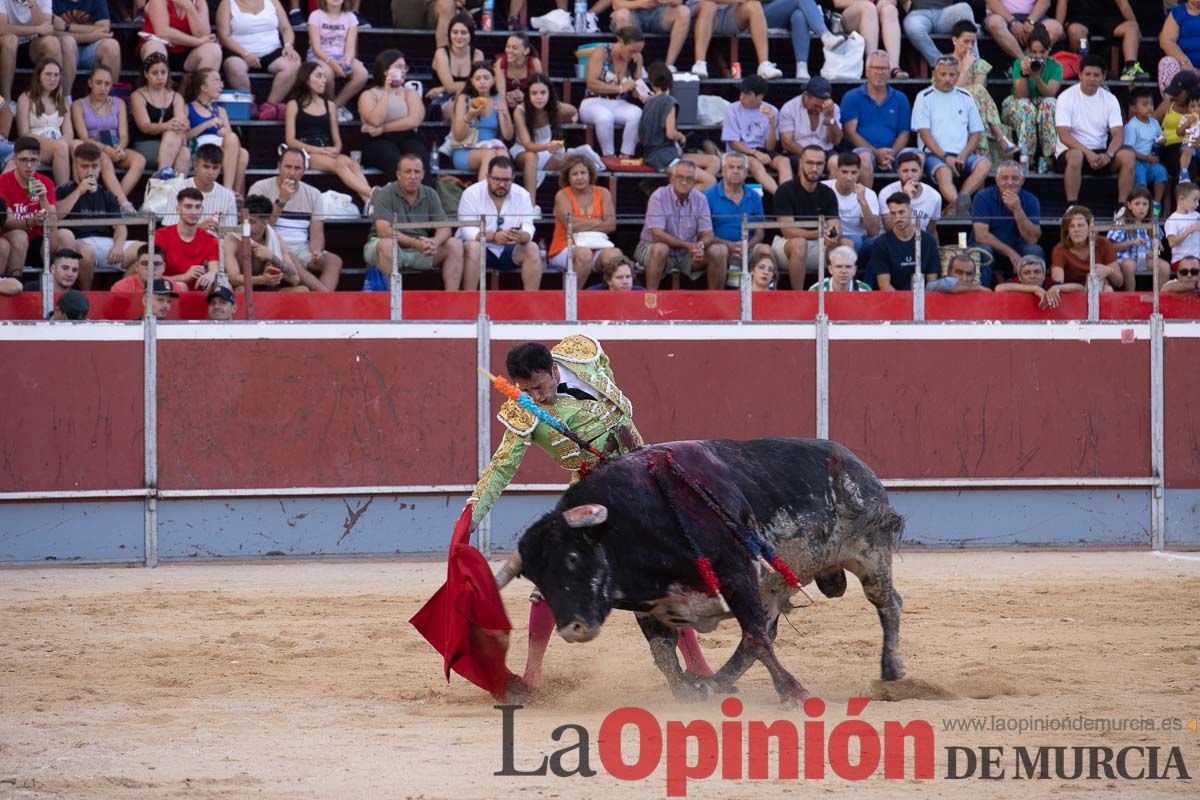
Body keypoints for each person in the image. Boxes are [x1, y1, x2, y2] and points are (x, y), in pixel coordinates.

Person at [469, 337, 713, 688]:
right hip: (592, 493)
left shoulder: (583, 355)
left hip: (643, 482)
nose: (536, 397)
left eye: (539, 386)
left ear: (554, 370)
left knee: (663, 575)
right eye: (526, 390)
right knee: (553, 577)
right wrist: (472, 515)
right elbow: (501, 468)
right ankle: (532, 675)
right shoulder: (523, 411)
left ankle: (698, 664)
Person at [365, 154, 469, 290]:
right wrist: (415, 243)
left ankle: (451, 301)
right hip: (388, 245)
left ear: (423, 174)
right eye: (408, 172)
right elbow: (383, 231)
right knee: (387, 245)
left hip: (421, 249)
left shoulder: (431, 193)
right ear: (398, 174)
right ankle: (390, 304)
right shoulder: (385, 193)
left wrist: (434, 242)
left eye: (417, 172)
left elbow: (445, 228)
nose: (413, 176)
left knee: (455, 244)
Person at [248, 146, 342, 291]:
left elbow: (317, 231)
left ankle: (319, 300)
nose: (292, 172)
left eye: (297, 168)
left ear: (304, 171)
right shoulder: (260, 188)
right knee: (290, 257)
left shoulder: (313, 193)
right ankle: (326, 298)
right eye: (288, 167)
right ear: (279, 166)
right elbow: (260, 228)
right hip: (273, 245)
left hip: (302, 247)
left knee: (334, 260)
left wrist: (316, 250)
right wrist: (281, 201)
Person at [284, 62, 375, 208]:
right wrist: (319, 151)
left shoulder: (330, 105)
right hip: (305, 152)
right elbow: (290, 141)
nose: (324, 80)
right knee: (339, 164)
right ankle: (373, 193)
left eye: (324, 77)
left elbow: (337, 141)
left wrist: (336, 149)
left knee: (353, 165)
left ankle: (370, 204)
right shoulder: (294, 104)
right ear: (306, 79)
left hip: (327, 149)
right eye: (319, 76)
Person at [911, 55, 990, 217]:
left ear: (957, 74)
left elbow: (976, 133)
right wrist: (945, 157)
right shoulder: (924, 97)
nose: (947, 79)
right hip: (934, 155)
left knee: (985, 165)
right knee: (944, 173)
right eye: (943, 74)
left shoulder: (965, 96)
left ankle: (957, 205)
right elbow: (925, 134)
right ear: (934, 74)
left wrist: (963, 155)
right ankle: (960, 207)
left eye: (952, 75)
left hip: (962, 156)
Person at [56, 142, 143, 286]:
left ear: (100, 168)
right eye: (84, 167)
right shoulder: (63, 190)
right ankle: (87, 297)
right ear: (75, 167)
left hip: (105, 243)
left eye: (94, 166)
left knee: (146, 252)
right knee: (85, 252)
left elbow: (120, 226)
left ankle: (118, 292)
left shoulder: (107, 195)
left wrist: (118, 246)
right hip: (77, 242)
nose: (90, 172)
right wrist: (79, 191)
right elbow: (57, 215)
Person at [1054, 55, 1134, 208]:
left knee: (1128, 156)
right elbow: (1064, 135)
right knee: (1076, 155)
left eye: (1096, 75)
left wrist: (1109, 155)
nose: (1091, 79)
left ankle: (1122, 209)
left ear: (1103, 77)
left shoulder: (1110, 99)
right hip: (1071, 152)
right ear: (1080, 75)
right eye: (1088, 74)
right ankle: (1072, 206)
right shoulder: (1066, 97)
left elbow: (1118, 133)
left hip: (1100, 154)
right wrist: (1088, 153)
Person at [636, 160, 726, 290]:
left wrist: (700, 246)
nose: (684, 182)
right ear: (671, 179)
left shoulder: (700, 199)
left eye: (689, 179)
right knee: (661, 248)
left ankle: (715, 300)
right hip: (652, 248)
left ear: (695, 182)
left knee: (719, 251)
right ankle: (651, 298)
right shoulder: (658, 196)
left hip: (686, 254)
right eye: (680, 177)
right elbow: (657, 235)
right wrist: (688, 245)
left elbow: (708, 233)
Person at [458, 156, 543, 291]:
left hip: (509, 249)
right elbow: (466, 230)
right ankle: (469, 301)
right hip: (481, 249)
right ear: (487, 177)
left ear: (513, 178)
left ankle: (530, 302)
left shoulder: (523, 194)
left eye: (506, 180)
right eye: (497, 179)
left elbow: (529, 226)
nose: (502, 184)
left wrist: (521, 236)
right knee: (473, 247)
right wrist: (494, 237)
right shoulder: (471, 193)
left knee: (532, 248)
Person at [833, 51, 914, 189]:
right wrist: (876, 153)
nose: (880, 72)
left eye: (884, 69)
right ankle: (866, 205)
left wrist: (890, 154)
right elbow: (849, 132)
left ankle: (909, 207)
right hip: (862, 151)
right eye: (875, 68)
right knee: (864, 158)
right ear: (867, 71)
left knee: (916, 158)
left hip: (893, 153)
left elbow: (904, 133)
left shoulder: (900, 98)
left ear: (889, 72)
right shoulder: (852, 97)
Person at [638, 63, 719, 190]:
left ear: (652, 83)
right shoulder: (669, 101)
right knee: (710, 181)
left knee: (714, 161)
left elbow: (640, 137)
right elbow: (671, 133)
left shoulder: (648, 103)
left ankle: (685, 193)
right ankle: (672, 196)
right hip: (664, 157)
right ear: (671, 82)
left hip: (663, 153)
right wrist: (681, 137)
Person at [216, 0, 300, 119]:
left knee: (293, 63)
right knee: (234, 66)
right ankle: (249, 105)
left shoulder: (273, 1)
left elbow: (286, 28)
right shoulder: (227, 3)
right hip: (239, 50)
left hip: (271, 50)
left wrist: (288, 45)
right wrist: (245, 53)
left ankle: (270, 106)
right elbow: (224, 36)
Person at [0, 137, 71, 279]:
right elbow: (5, 222)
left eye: (33, 161)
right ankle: (16, 282)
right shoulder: (3, 182)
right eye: (23, 160)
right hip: (13, 239)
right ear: (14, 160)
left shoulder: (45, 182)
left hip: (39, 241)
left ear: (39, 161)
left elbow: (53, 224)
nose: (28, 165)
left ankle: (58, 289)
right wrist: (30, 222)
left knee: (66, 235)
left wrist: (43, 198)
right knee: (20, 236)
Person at [71, 67, 147, 200]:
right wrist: (106, 149)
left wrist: (119, 148)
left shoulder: (119, 103)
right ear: (90, 83)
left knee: (139, 160)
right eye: (99, 83)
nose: (103, 88)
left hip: (114, 146)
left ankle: (113, 201)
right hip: (94, 148)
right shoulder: (78, 104)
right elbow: (83, 137)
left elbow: (123, 135)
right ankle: (123, 203)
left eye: (107, 84)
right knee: (104, 159)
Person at [771, 144, 840, 290]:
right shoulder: (785, 190)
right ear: (801, 163)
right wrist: (820, 233)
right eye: (809, 163)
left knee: (846, 244)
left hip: (817, 245)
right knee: (799, 244)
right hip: (785, 246)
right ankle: (798, 296)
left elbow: (835, 226)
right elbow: (787, 231)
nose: (814, 168)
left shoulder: (828, 193)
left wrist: (832, 235)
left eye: (819, 164)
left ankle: (837, 295)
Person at [950, 20, 1018, 166]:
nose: (969, 47)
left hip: (976, 110)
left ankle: (982, 164)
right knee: (976, 93)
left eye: (972, 43)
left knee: (978, 95)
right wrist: (965, 68)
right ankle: (1001, 137)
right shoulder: (945, 64)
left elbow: (977, 92)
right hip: (951, 107)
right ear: (955, 40)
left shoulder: (979, 64)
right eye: (965, 42)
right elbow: (953, 92)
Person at [547, 153, 621, 286]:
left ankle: (613, 300)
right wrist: (598, 222)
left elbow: (610, 225)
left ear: (590, 175)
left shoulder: (603, 193)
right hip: (565, 247)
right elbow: (571, 226)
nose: (580, 177)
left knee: (615, 255)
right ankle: (572, 301)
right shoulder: (562, 195)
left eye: (583, 173)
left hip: (597, 245)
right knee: (584, 254)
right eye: (574, 174)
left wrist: (582, 223)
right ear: (568, 178)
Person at [358, 50, 430, 181]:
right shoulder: (369, 95)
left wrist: (384, 128)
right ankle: (402, 198)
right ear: (385, 71)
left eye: (405, 67)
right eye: (398, 67)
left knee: (418, 155)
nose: (403, 70)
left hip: (406, 136)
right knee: (391, 156)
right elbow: (375, 120)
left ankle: (425, 197)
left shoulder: (409, 93)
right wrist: (387, 91)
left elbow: (414, 121)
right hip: (377, 140)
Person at [1000, 24, 1062, 175]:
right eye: (1034, 52)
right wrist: (1025, 74)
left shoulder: (1056, 67)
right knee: (1026, 106)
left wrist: (1037, 76)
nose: (1038, 56)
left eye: (1042, 52)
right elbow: (1021, 95)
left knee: (1050, 104)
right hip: (1018, 104)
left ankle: (1049, 158)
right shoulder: (1019, 63)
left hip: (1043, 103)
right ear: (1028, 50)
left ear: (1049, 50)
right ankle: (1028, 158)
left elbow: (1050, 93)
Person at [969, 160, 1042, 285]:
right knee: (984, 251)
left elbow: (1032, 239)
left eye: (1015, 178)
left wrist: (1018, 210)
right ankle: (981, 296)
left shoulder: (1031, 200)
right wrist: (1011, 253)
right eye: (1004, 178)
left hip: (1018, 247)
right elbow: (981, 235)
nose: (1010, 182)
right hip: (989, 247)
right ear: (997, 181)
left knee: (1035, 251)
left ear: (1022, 181)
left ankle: (1033, 295)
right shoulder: (982, 197)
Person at [579, 25, 645, 158]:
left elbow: (636, 86)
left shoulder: (637, 58)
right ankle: (608, 156)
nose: (634, 54)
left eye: (638, 51)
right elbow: (591, 83)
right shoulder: (602, 51)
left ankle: (626, 154)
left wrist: (643, 94)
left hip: (619, 103)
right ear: (621, 41)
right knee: (605, 116)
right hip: (593, 101)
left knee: (637, 113)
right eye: (632, 50)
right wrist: (619, 88)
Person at [183, 68, 250, 195]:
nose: (221, 85)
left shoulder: (221, 111)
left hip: (220, 150)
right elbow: (184, 136)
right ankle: (228, 190)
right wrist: (206, 125)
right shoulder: (188, 108)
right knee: (234, 143)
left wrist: (224, 132)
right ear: (204, 87)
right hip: (200, 149)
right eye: (216, 81)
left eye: (221, 81)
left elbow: (233, 141)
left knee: (243, 153)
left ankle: (234, 194)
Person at [722, 74, 789, 196]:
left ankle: (787, 194)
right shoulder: (733, 109)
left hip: (763, 150)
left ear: (759, 96)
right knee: (754, 163)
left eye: (747, 94)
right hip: (741, 150)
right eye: (741, 93)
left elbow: (770, 147)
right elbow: (733, 143)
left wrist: (772, 124)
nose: (741, 97)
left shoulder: (772, 110)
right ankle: (781, 196)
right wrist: (754, 153)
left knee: (784, 161)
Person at [447, 60, 513, 183]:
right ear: (472, 81)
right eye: (478, 78)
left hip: (492, 147)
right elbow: (458, 135)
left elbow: (508, 136)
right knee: (489, 155)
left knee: (503, 154)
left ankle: (502, 193)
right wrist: (470, 116)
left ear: (493, 80)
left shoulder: (498, 99)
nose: (482, 82)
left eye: (486, 78)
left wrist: (505, 116)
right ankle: (481, 198)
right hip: (466, 150)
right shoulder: (464, 99)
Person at [224, 194, 305, 291]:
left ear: (265, 222)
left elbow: (295, 279)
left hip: (269, 290)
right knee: (241, 290)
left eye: (251, 222)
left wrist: (272, 257)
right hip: (244, 288)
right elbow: (234, 279)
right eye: (244, 220)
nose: (246, 225)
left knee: (302, 290)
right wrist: (262, 280)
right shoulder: (232, 239)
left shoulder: (277, 240)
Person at [705, 152, 766, 280]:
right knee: (719, 251)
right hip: (718, 246)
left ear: (746, 172)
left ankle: (764, 298)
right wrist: (729, 245)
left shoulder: (754, 196)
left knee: (766, 251)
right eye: (731, 167)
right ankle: (717, 298)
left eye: (740, 168)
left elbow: (760, 232)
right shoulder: (708, 195)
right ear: (722, 171)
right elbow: (704, 233)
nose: (735, 171)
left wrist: (746, 245)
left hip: (748, 246)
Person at [687, 0, 783, 80]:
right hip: (699, 11)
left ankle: (764, 65)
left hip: (729, 11)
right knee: (709, 6)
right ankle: (700, 63)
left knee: (754, 5)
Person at [1055, 0, 1147, 81]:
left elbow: (1122, 3)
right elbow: (1062, 2)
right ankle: (1083, 66)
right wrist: (1059, 26)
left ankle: (1130, 68)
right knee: (1076, 32)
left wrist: (1136, 28)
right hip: (1080, 18)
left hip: (1107, 17)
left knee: (1132, 28)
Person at [15, 58, 72, 188]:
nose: (52, 78)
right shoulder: (26, 98)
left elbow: (69, 132)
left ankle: (87, 195)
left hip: (59, 141)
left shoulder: (62, 100)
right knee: (61, 148)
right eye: (48, 74)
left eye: (56, 75)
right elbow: (23, 133)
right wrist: (55, 144)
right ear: (39, 76)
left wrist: (61, 141)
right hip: (35, 143)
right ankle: (63, 192)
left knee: (81, 148)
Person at [130, 52, 191, 173]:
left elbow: (181, 121)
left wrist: (183, 124)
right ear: (146, 74)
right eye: (155, 73)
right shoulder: (138, 95)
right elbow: (145, 127)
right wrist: (166, 126)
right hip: (146, 142)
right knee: (178, 145)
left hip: (172, 143)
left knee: (184, 152)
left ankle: (163, 179)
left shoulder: (176, 96)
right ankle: (164, 175)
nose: (160, 77)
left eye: (163, 72)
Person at [306, 0, 367, 119]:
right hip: (320, 57)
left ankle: (336, 106)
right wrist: (331, 62)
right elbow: (316, 48)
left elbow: (350, 47)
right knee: (326, 73)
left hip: (342, 57)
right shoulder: (315, 15)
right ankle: (330, 105)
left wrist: (348, 61)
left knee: (362, 74)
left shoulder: (351, 17)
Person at [868, 192, 940, 290]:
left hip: (922, 299)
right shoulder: (881, 244)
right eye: (893, 213)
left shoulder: (928, 241)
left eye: (901, 212)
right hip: (893, 301)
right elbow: (884, 285)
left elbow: (932, 283)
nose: (898, 218)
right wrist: (902, 304)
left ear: (911, 210)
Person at [0, 0, 68, 104]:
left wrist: (32, 3)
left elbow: (47, 29)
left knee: (52, 43)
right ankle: (6, 101)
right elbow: (2, 28)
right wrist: (37, 29)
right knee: (10, 40)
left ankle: (51, 101)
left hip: (31, 45)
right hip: (5, 45)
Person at [511, 74, 565, 198]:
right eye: (534, 93)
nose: (539, 97)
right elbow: (527, 145)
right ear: (528, 95)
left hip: (546, 152)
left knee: (572, 160)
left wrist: (569, 115)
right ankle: (531, 206)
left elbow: (572, 110)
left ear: (549, 93)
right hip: (523, 151)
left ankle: (566, 206)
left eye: (543, 92)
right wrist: (547, 146)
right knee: (532, 157)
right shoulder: (520, 111)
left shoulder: (553, 107)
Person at [155, 186, 219, 290]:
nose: (193, 212)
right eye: (188, 207)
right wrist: (184, 277)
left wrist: (212, 274)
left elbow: (214, 268)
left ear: (202, 209)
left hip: (199, 289)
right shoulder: (161, 236)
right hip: (167, 291)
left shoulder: (210, 239)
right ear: (178, 209)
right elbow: (152, 277)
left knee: (220, 286)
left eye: (197, 207)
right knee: (181, 286)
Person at [762, 0, 846, 80]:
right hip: (762, 13)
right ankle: (825, 35)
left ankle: (802, 67)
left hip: (788, 10)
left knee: (799, 15)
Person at [161, 143, 238, 230]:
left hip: (216, 243)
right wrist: (199, 228)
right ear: (196, 166)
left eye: (215, 168)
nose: (210, 172)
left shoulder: (228, 196)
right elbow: (169, 231)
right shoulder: (178, 190)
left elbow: (231, 234)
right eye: (206, 166)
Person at [1108, 187, 1170, 291]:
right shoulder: (1122, 222)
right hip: (1127, 258)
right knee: (1128, 266)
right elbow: (1112, 247)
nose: (1141, 207)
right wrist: (1131, 242)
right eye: (1137, 204)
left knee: (1165, 267)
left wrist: (1158, 246)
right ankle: (1131, 297)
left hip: (1146, 259)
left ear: (1149, 206)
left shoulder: (1152, 223)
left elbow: (1159, 244)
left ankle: (1160, 299)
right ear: (1129, 205)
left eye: (1145, 204)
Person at [52, 0, 122, 90]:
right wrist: (91, 35)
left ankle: (110, 98)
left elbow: (104, 29)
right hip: (63, 52)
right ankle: (65, 98)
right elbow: (51, 32)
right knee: (68, 42)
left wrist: (67, 26)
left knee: (112, 46)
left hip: (90, 50)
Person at [824, 0, 905, 77]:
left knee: (890, 9)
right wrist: (871, 4)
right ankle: (872, 64)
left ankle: (894, 67)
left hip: (878, 15)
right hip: (850, 15)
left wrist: (884, 2)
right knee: (868, 8)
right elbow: (838, 2)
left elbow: (893, 1)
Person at [139, 0, 223, 74]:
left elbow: (203, 35)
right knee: (155, 48)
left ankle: (201, 89)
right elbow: (163, 32)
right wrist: (197, 42)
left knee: (213, 50)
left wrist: (189, 7)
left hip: (186, 52)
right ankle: (157, 91)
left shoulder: (199, 2)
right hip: (160, 45)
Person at [821, 151, 880, 255]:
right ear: (837, 171)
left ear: (859, 173)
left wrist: (862, 201)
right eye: (844, 172)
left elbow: (873, 231)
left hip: (860, 240)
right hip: (831, 238)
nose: (849, 177)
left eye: (853, 173)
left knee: (878, 242)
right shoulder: (824, 188)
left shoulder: (868, 194)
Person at [1050, 204, 1121, 289]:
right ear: (1067, 231)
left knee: (1106, 287)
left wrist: (1108, 271)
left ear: (1090, 227)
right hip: (1072, 293)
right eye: (1072, 226)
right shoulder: (1060, 249)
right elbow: (1057, 284)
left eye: (1080, 225)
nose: (1076, 230)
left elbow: (1119, 282)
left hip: (1100, 291)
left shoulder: (1103, 243)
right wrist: (1081, 288)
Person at [779, 76, 842, 170]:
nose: (819, 109)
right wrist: (810, 156)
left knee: (836, 163)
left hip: (826, 151)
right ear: (806, 95)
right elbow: (787, 142)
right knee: (805, 165)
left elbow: (836, 141)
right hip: (798, 152)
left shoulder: (833, 108)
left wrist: (830, 118)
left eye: (822, 106)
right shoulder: (789, 108)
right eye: (816, 106)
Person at [429, 13, 484, 121]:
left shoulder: (477, 54)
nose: (459, 37)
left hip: (469, 99)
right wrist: (448, 88)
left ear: (470, 35)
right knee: (461, 101)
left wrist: (442, 88)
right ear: (449, 34)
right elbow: (450, 87)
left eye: (463, 33)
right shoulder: (441, 53)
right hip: (442, 101)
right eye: (455, 32)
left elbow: (478, 85)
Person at [610, 0, 691, 72]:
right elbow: (616, 4)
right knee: (621, 14)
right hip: (633, 12)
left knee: (684, 12)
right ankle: (633, 66)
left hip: (660, 12)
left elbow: (678, 1)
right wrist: (640, 3)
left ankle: (668, 66)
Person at [878, 150, 941, 240]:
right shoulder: (886, 193)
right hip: (892, 241)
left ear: (921, 172)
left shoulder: (935, 196)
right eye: (905, 171)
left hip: (920, 241)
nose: (910, 175)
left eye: (914, 171)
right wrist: (906, 197)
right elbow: (890, 228)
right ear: (898, 173)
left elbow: (930, 231)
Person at [1124, 88, 1169, 212]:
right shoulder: (1132, 126)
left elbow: (1160, 136)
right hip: (1138, 162)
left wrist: (1162, 141)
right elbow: (1129, 149)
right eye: (1144, 105)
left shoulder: (1154, 123)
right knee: (1140, 179)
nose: (1149, 107)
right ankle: (1140, 207)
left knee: (1161, 172)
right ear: (1133, 108)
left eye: (1151, 104)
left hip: (1151, 161)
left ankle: (1156, 204)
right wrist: (1146, 158)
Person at [902, 0, 979, 69]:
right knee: (913, 27)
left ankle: (976, 65)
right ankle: (941, 63)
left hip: (945, 12)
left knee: (964, 8)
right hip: (918, 13)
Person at [983, 0, 1065, 61]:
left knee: (1055, 28)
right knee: (994, 22)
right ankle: (1023, 62)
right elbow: (991, 2)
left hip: (1033, 16)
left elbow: (1045, 2)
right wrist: (1012, 21)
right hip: (1002, 16)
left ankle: (1027, 63)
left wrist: (1031, 21)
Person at [995, 253, 1082, 308]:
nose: (1032, 276)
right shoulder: (1015, 282)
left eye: (1037, 272)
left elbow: (1080, 288)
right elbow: (999, 288)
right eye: (1027, 273)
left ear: (1044, 275)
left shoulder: (1049, 284)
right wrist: (1034, 289)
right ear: (1020, 277)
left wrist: (1057, 287)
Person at [111, 243, 188, 294]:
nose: (151, 268)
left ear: (163, 267)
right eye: (145, 264)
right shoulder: (121, 289)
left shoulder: (175, 289)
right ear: (137, 267)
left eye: (157, 264)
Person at [1160, 0, 1200, 93]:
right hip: (1184, 67)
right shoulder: (1178, 12)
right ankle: (1171, 104)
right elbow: (1166, 41)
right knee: (1167, 62)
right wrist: (1185, 62)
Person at [1166, 182, 1200, 271]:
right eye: (1195, 200)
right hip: (1181, 260)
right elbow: (1172, 243)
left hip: (1197, 260)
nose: (1197, 204)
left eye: (1198, 200)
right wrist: (1189, 230)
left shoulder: (1197, 215)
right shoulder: (1172, 220)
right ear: (1181, 199)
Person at [926, 251, 993, 293]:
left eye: (969, 274)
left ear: (974, 275)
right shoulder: (936, 287)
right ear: (948, 272)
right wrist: (977, 287)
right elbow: (930, 286)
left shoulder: (980, 293)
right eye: (959, 272)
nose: (964, 278)